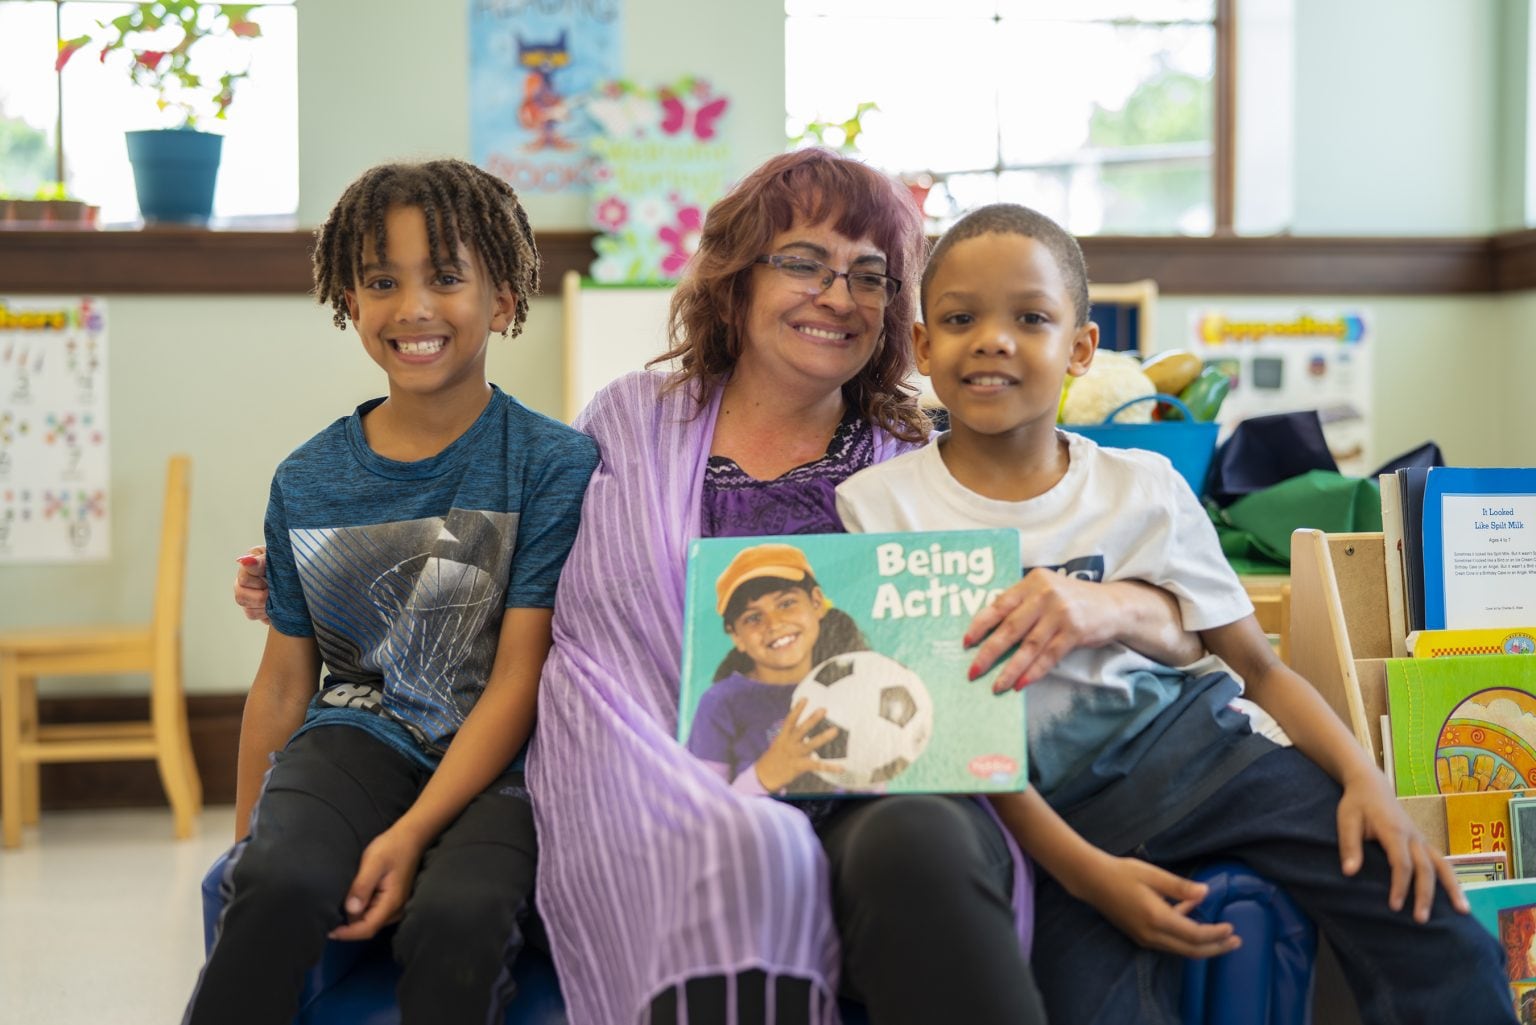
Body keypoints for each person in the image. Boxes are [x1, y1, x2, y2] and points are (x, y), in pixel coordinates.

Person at [230, 150, 1212, 1025]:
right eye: (804, 261)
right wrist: (333, 571)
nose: (838, 293)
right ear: (736, 280)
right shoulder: (625, 424)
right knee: (750, 846)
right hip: (653, 757)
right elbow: (521, 565)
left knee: (916, 838)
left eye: (870, 275)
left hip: (871, 766)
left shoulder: (930, 452)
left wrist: (1119, 602)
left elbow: (1124, 577)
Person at [833, 201, 1516, 1024]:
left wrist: (1365, 780)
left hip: (1209, 763)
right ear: (921, 345)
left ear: (1082, 349)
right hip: (1052, 817)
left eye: (1032, 318)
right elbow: (952, 745)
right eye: (959, 318)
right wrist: (1090, 873)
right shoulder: (879, 507)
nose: (993, 339)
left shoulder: (1143, 486)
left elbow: (1258, 668)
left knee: (1431, 916)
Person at [189, 159, 598, 1025]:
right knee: (275, 879)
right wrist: (245, 850)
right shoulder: (307, 478)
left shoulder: (553, 464)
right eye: (383, 282)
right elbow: (284, 682)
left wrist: (411, 836)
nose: (413, 307)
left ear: (504, 300)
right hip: (355, 738)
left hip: (505, 765)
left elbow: (519, 678)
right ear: (350, 300)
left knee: (462, 913)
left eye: (446, 277)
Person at [686, 541, 868, 792]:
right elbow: (705, 806)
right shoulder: (721, 703)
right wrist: (766, 774)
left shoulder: (854, 684)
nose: (774, 624)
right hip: (761, 828)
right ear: (736, 636)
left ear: (816, 602)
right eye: (753, 618)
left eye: (786, 604)